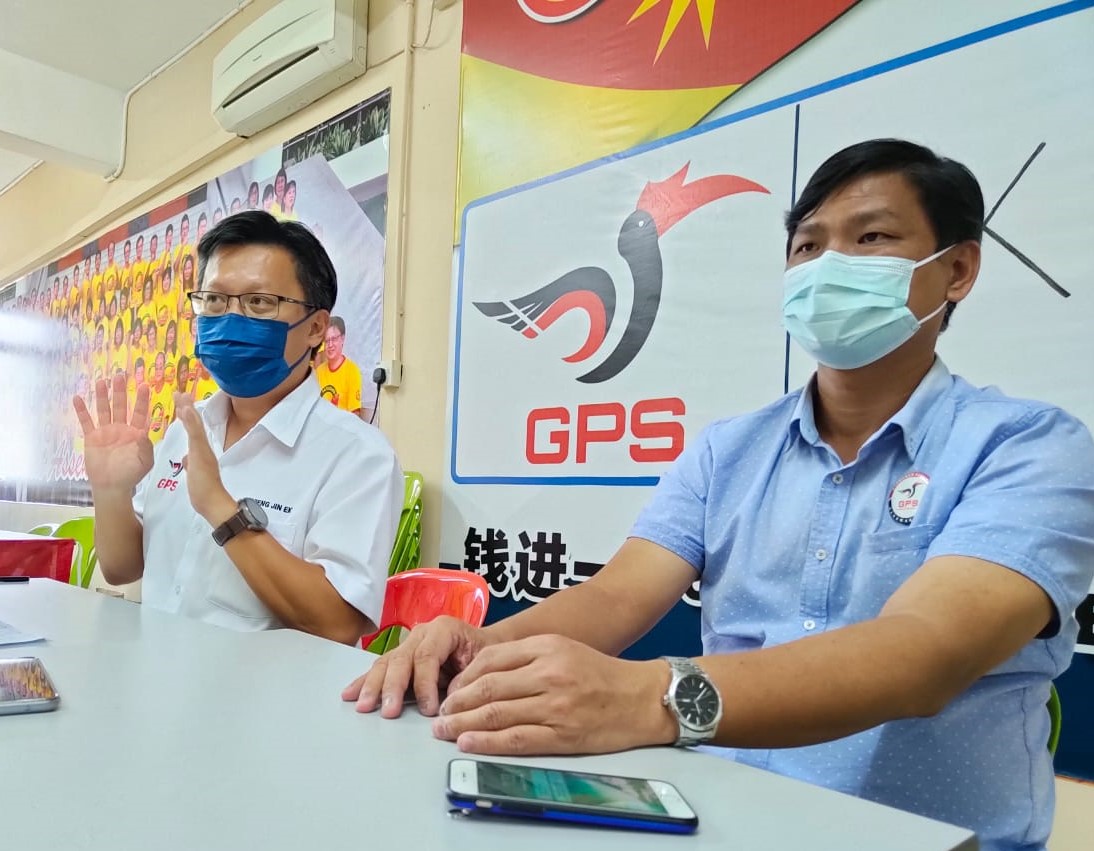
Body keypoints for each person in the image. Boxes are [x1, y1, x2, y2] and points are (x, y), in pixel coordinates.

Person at [343, 139, 1094, 850]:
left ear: (957, 269)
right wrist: (483, 646)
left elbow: (924, 654)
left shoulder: (1029, 447)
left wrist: (653, 698)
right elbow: (614, 599)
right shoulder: (727, 450)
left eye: (871, 239)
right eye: (808, 246)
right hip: (728, 821)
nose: (830, 264)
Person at [73, 211, 404, 644]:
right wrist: (111, 492)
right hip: (155, 685)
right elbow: (123, 568)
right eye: (214, 301)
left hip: (267, 706)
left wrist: (223, 511)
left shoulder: (358, 456)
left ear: (316, 328)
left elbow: (338, 623)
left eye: (259, 303)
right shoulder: (186, 431)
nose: (229, 319)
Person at [315, 316, 364, 418]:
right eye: (327, 340)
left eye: (334, 339)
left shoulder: (352, 371)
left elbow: (355, 415)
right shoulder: (318, 372)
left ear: (342, 338)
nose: (330, 345)